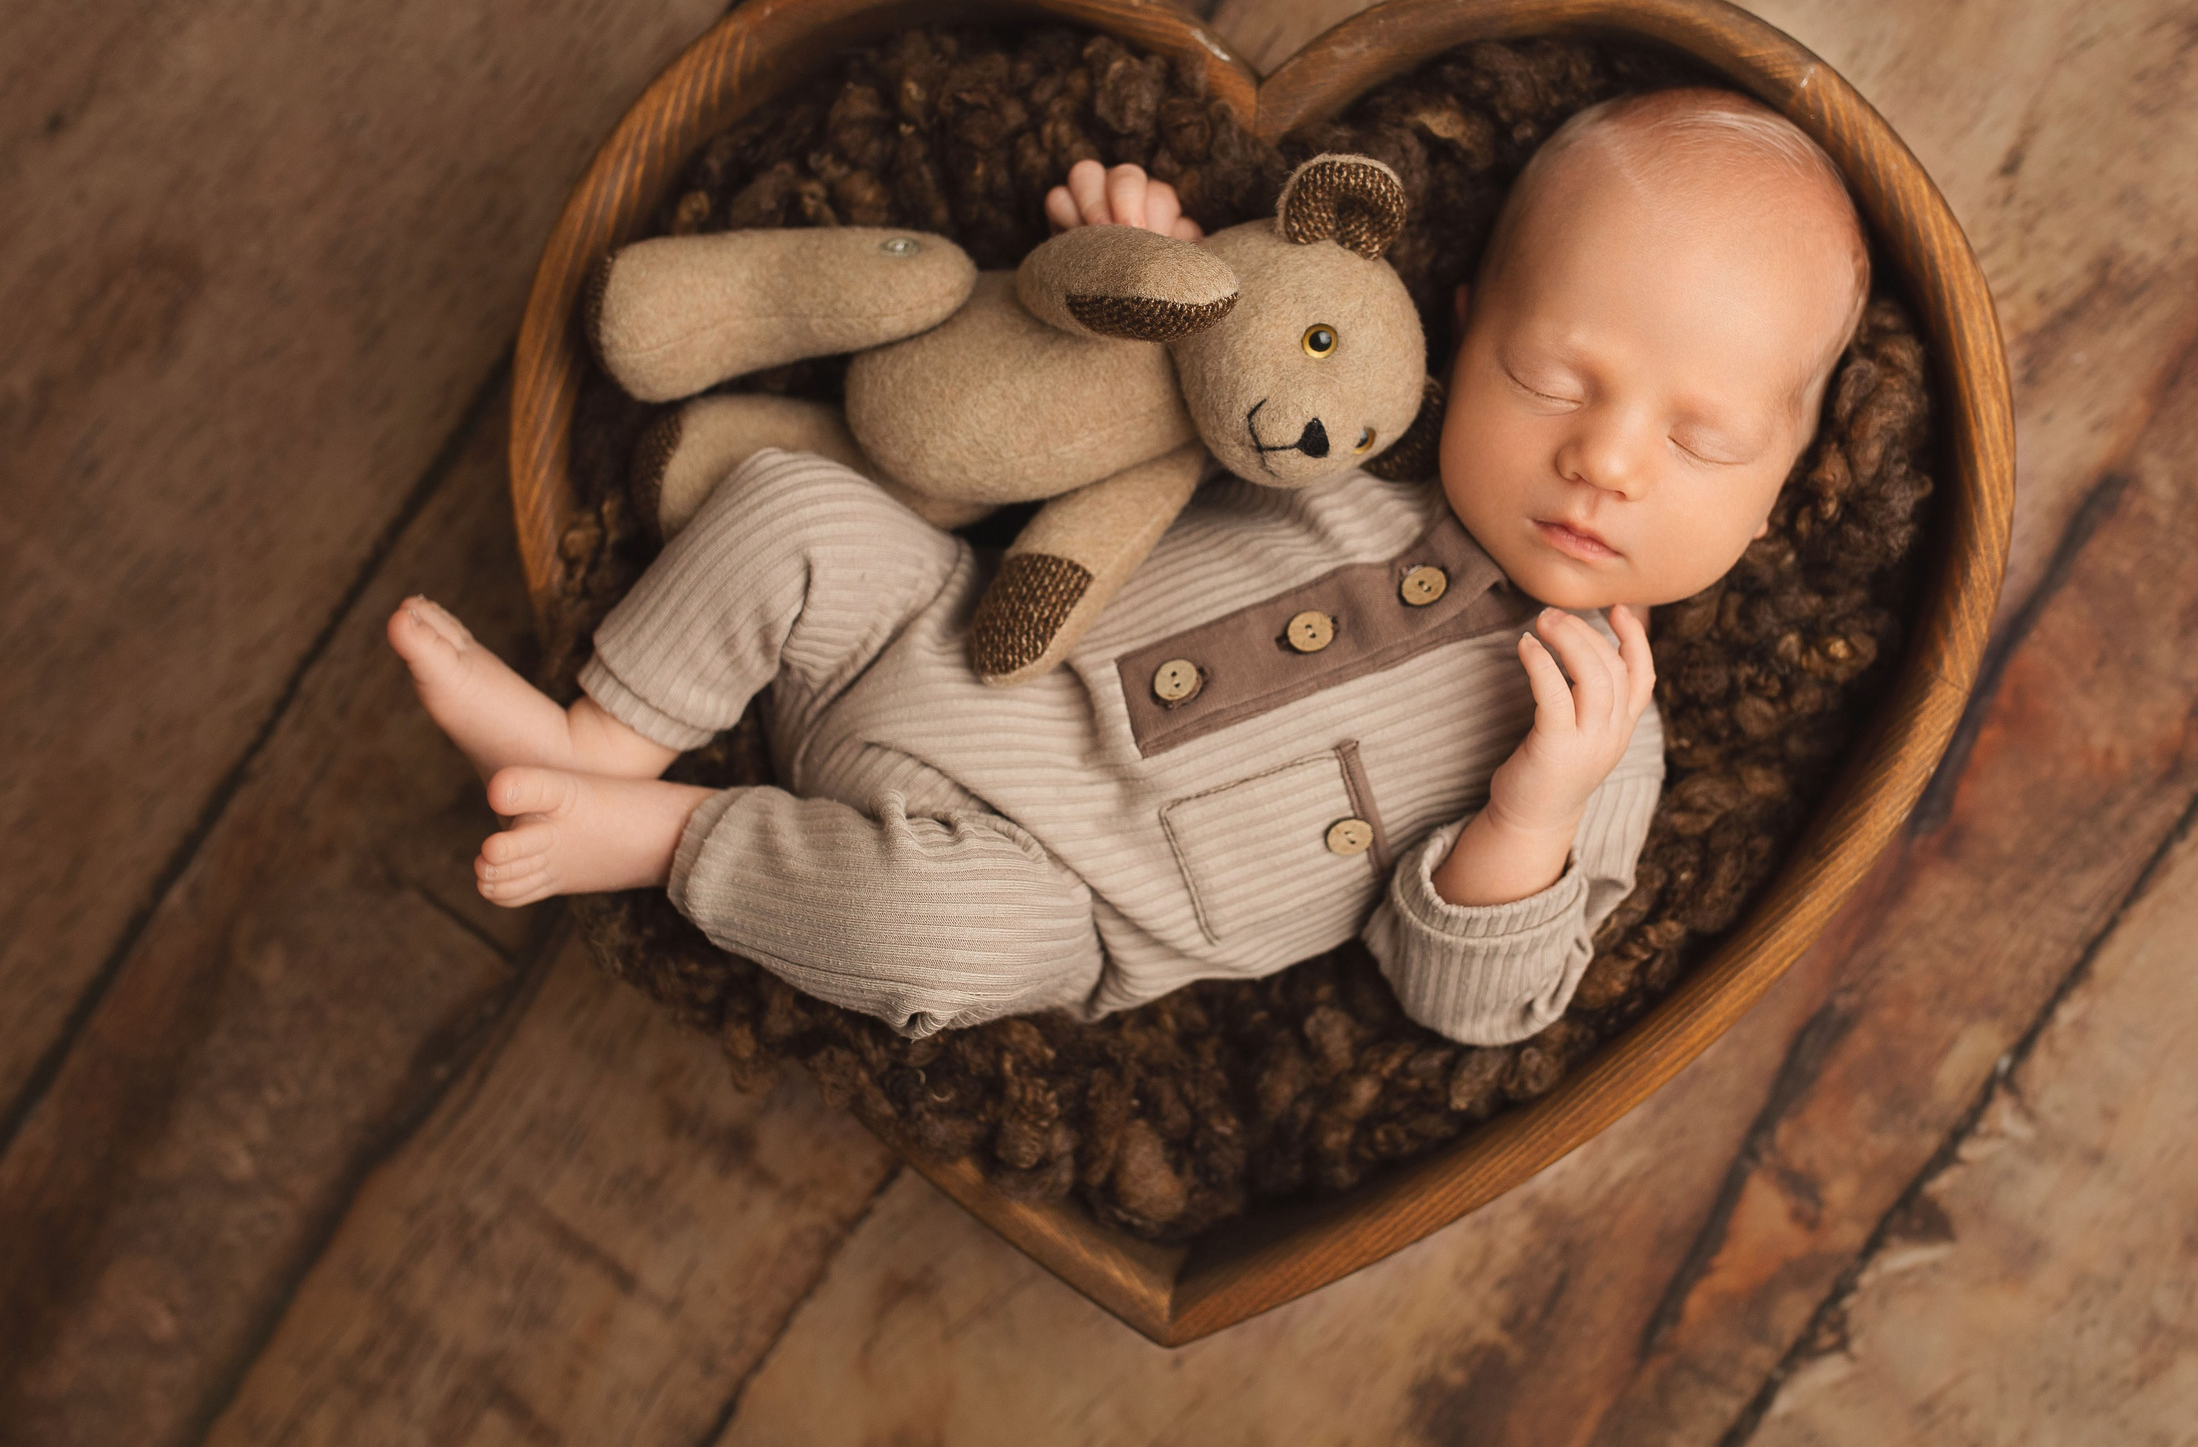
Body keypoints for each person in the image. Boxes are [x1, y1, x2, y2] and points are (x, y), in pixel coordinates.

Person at [390, 88, 1868, 1047]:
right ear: (1458, 332)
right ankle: (595, 736)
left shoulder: (1605, 736)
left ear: (1782, 489)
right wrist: (1139, 281)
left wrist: (1532, 806)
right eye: (1550, 378)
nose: (1605, 460)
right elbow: (1174, 396)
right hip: (939, 634)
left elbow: (1476, 1003)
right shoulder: (1350, 441)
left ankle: (658, 837)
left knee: (951, 939)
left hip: (1051, 892)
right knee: (792, 510)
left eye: (1702, 438)